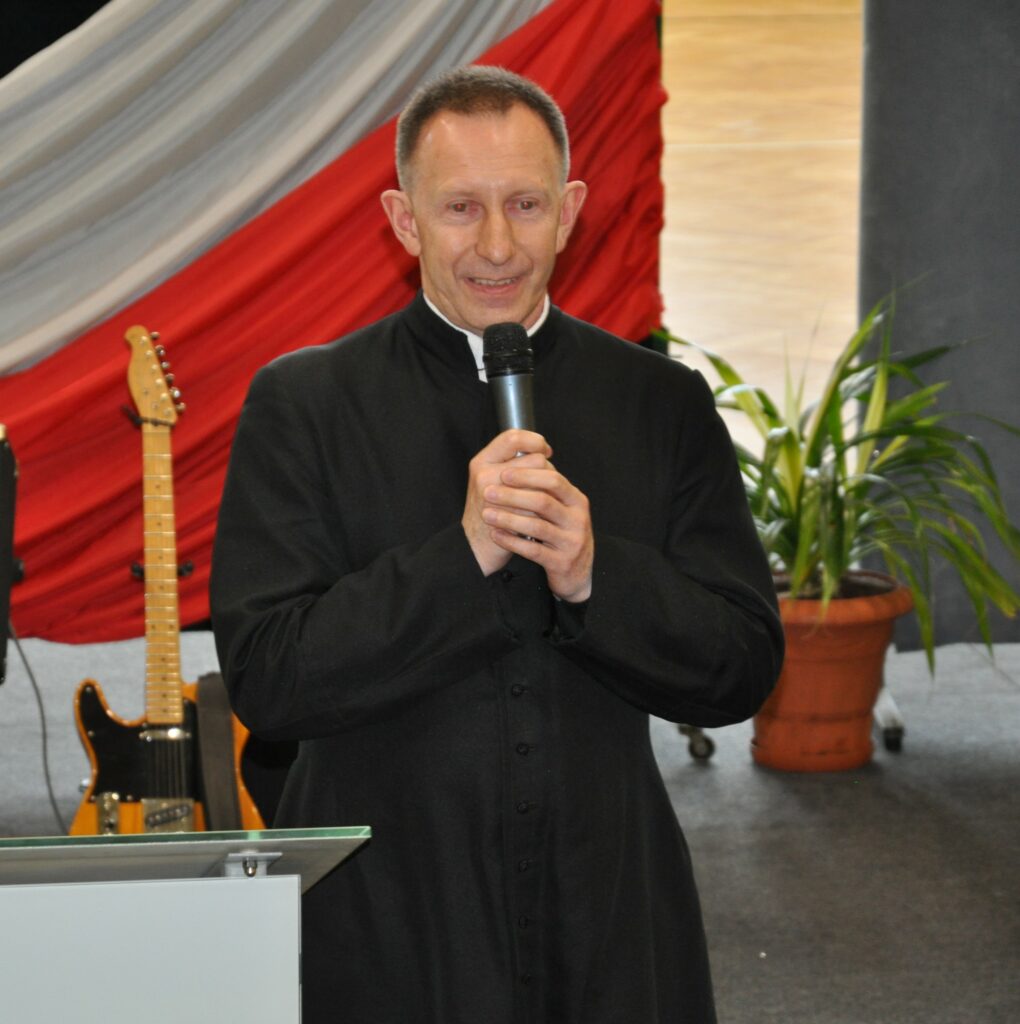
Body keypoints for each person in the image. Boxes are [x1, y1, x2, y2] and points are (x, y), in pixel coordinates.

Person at [211, 65, 783, 1024]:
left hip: (608, 909)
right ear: (404, 221)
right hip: (386, 913)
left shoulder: (661, 401)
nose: (496, 244)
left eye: (524, 204)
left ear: (570, 212)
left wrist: (598, 576)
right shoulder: (305, 404)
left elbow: (741, 670)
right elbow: (269, 681)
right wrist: (462, 556)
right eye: (460, 208)